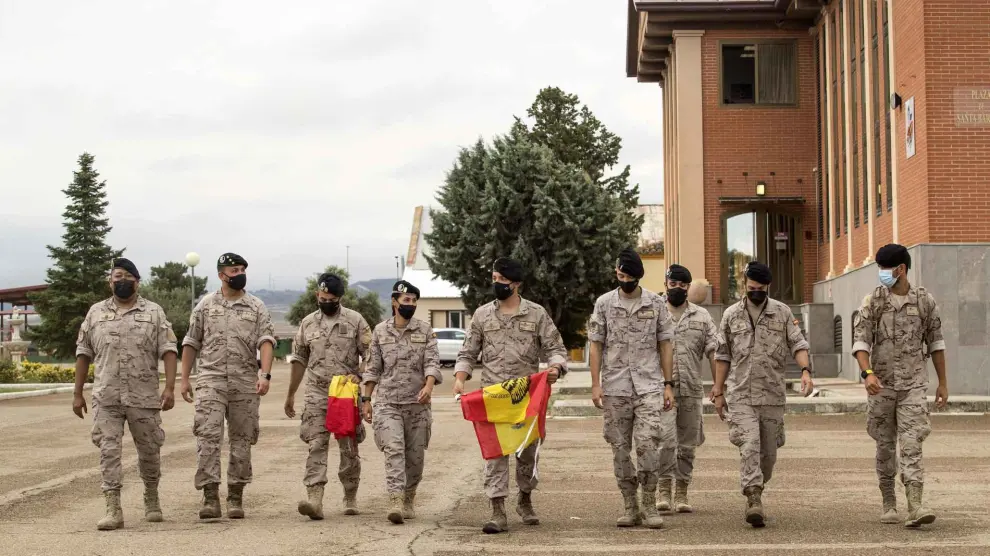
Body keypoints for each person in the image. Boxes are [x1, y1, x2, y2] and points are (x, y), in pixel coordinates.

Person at [453, 257, 568, 534]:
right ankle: (497, 510)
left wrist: (555, 367)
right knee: (494, 454)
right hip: (492, 397)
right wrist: (459, 379)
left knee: (526, 453)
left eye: (502, 281)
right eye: (494, 279)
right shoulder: (482, 315)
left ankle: (525, 499)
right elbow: (468, 353)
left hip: (525, 397)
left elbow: (556, 349)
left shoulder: (537, 314)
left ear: (516, 284)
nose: (497, 284)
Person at [74, 258, 178, 530]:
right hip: (107, 396)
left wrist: (169, 387)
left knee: (149, 450)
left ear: (137, 281)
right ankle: (112, 507)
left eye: (127, 276)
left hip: (143, 397)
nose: (121, 280)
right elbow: (83, 353)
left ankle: (152, 497)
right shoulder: (95, 313)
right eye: (116, 276)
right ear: (110, 282)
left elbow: (168, 350)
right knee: (108, 451)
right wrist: (77, 393)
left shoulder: (154, 312)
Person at [852, 243, 948, 527]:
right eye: (880, 268)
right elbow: (860, 342)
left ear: (901, 269)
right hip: (881, 387)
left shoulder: (924, 301)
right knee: (885, 446)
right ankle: (888, 501)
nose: (882, 273)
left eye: (885, 268)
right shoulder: (873, 302)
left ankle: (915, 505)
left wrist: (943, 382)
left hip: (913, 386)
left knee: (911, 444)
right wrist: (867, 373)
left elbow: (936, 343)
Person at [712, 261, 813, 528]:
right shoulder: (731, 315)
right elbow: (722, 355)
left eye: (761, 288)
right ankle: (753, 498)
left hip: (771, 394)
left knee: (768, 454)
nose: (755, 291)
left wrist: (805, 370)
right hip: (741, 392)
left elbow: (798, 343)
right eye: (751, 287)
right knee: (750, 446)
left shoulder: (782, 312)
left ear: (768, 286)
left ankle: (758, 486)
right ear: (745, 284)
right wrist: (718, 391)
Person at [181, 252, 276, 520]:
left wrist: (265, 374)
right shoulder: (205, 306)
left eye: (242, 269)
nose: (239, 274)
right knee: (208, 437)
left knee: (242, 439)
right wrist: (185, 378)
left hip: (244, 381)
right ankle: (210, 496)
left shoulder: (256, 306)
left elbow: (266, 341)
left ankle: (236, 495)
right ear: (221, 275)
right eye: (234, 270)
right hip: (210, 380)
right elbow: (191, 342)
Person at [588, 248, 675, 529]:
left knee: (648, 444)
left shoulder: (655, 303)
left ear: (638, 277)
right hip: (615, 386)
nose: (624, 279)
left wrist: (668, 383)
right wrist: (595, 384)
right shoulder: (603, 303)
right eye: (620, 274)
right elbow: (596, 344)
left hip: (649, 385)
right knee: (620, 448)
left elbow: (665, 343)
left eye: (629, 276)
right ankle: (630, 504)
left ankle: (649, 503)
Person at [286, 272, 372, 519]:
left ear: (340, 298)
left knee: (348, 447)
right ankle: (315, 499)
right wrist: (291, 394)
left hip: (345, 392)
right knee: (316, 444)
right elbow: (300, 359)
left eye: (331, 298)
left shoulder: (355, 321)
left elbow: (370, 355)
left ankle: (350, 494)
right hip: (316, 392)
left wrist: (361, 376)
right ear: (317, 295)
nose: (326, 302)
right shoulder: (307, 323)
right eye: (323, 297)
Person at [361, 280, 441, 524]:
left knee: (415, 456)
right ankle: (395, 499)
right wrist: (366, 400)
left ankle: (408, 496)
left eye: (414, 301)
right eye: (407, 300)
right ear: (395, 302)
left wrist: (428, 386)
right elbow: (373, 368)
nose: (411, 304)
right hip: (388, 403)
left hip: (417, 405)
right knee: (394, 450)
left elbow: (432, 362)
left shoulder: (425, 330)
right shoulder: (379, 331)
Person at [655, 264, 721, 515]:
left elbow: (715, 351)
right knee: (665, 441)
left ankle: (682, 490)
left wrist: (718, 385)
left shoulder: (701, 316)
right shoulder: (654, 312)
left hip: (691, 388)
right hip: (661, 390)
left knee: (687, 444)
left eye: (683, 286)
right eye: (674, 284)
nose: (678, 289)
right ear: (666, 284)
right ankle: (663, 489)